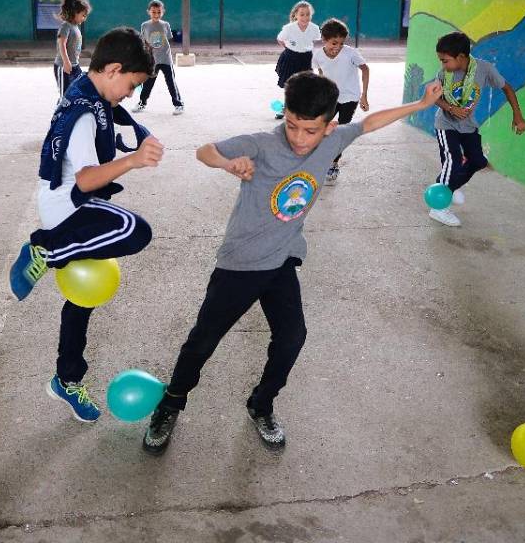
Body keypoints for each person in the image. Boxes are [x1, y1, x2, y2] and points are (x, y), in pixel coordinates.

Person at [142, 73, 442, 454]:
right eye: (293, 125)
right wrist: (227, 164)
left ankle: (261, 404)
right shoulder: (264, 144)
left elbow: (368, 123)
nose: (300, 138)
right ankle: (171, 402)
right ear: (284, 114)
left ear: (329, 126)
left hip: (282, 260)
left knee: (292, 338)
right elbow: (205, 150)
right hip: (240, 263)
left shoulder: (334, 138)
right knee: (203, 340)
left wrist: (420, 105)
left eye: (311, 131)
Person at [9, 27, 162, 423]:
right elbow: (85, 178)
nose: (129, 94)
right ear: (113, 69)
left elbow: (111, 116)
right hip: (67, 207)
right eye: (130, 85)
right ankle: (47, 250)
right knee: (135, 231)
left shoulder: (87, 90)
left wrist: (134, 134)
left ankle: (67, 379)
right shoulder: (83, 115)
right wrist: (132, 161)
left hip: (67, 202)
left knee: (81, 299)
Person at [427, 31, 525, 228]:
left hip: (468, 125)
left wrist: (517, 115)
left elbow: (507, 88)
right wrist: (450, 107)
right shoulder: (444, 74)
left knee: (478, 161)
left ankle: (450, 185)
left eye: (445, 60)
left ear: (461, 57)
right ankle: (439, 207)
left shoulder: (484, 69)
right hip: (446, 124)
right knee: (453, 160)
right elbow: (433, 96)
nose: (442, 65)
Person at [312, 18, 369, 185]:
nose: (337, 47)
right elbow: (321, 71)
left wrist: (364, 95)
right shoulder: (317, 55)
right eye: (333, 43)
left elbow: (365, 68)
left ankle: (333, 163)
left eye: (341, 43)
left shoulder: (350, 53)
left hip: (350, 98)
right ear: (324, 39)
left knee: (340, 131)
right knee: (322, 127)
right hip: (331, 97)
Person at [133, 0, 184, 115]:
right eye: (153, 12)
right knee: (148, 83)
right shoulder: (144, 25)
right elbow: (144, 41)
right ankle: (142, 103)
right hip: (152, 60)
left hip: (166, 59)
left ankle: (178, 104)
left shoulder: (166, 25)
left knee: (171, 82)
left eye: (159, 12)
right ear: (148, 12)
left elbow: (168, 39)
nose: (156, 14)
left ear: (163, 12)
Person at [273, 1, 321, 119]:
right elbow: (280, 39)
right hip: (290, 58)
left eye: (308, 14)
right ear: (296, 15)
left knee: (306, 85)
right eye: (302, 14)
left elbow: (317, 39)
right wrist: (289, 48)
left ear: (311, 15)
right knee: (289, 85)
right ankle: (285, 108)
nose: (305, 17)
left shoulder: (314, 28)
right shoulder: (288, 28)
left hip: (306, 59)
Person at [55, 0, 90, 99]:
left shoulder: (75, 27)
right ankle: (60, 114)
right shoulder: (66, 26)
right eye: (83, 15)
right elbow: (61, 44)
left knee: (80, 90)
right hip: (64, 66)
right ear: (75, 12)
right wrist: (66, 62)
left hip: (75, 65)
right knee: (65, 96)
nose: (84, 18)